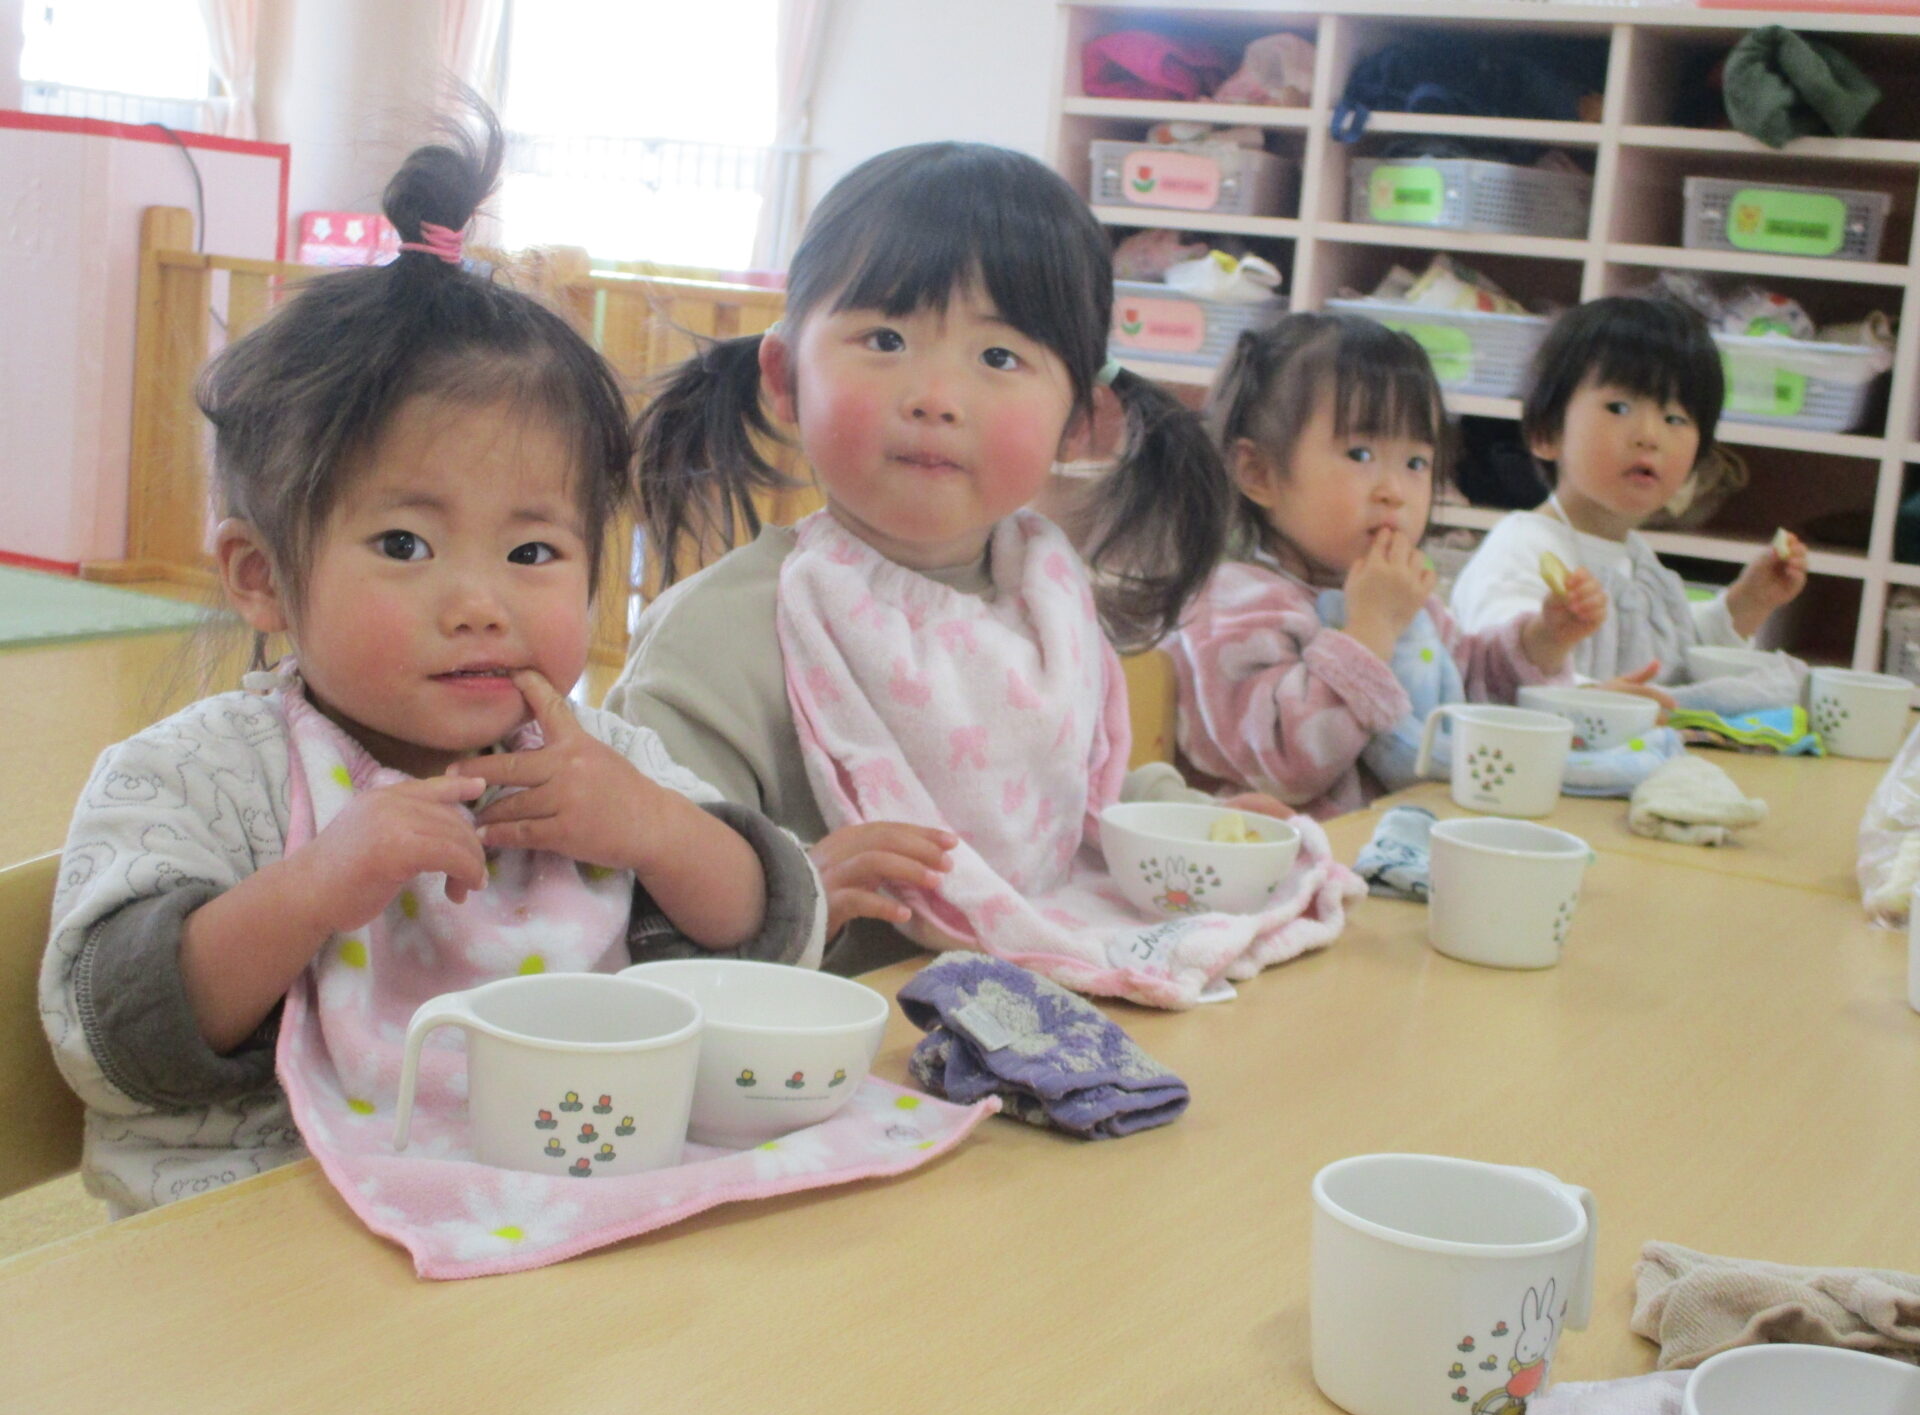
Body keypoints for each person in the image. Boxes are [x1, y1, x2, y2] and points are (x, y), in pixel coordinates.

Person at [40, 111, 822, 1217]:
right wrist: (315, 886)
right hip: (266, 1237)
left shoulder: (601, 762)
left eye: (533, 552)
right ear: (263, 577)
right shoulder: (198, 778)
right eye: (404, 545)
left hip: (558, 1215)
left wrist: (654, 828)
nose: (478, 604)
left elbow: (770, 935)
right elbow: (118, 1039)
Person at [606, 142, 1342, 1001]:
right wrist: (787, 890)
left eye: (998, 358)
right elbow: (633, 914)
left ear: (1081, 422)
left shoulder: (1049, 598)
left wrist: (1175, 819)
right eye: (886, 339)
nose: (936, 396)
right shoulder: (714, 642)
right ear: (785, 377)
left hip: (1038, 1024)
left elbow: (1065, 793)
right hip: (830, 1045)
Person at [1163, 313, 1604, 818]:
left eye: (1416, 463)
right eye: (1360, 453)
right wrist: (1370, 630)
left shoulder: (1405, 601)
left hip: (1409, 840)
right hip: (1300, 856)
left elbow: (1465, 700)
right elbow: (1284, 764)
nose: (1394, 491)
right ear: (1258, 473)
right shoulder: (1234, 605)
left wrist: (1542, 641)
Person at [1449, 296, 1808, 688]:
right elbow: (1497, 669)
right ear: (1546, 434)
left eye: (1675, 418)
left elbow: (1678, 655)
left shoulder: (1640, 562)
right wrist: (1586, 685)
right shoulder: (1523, 548)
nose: (1650, 436)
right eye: (1619, 408)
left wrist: (1747, 603)